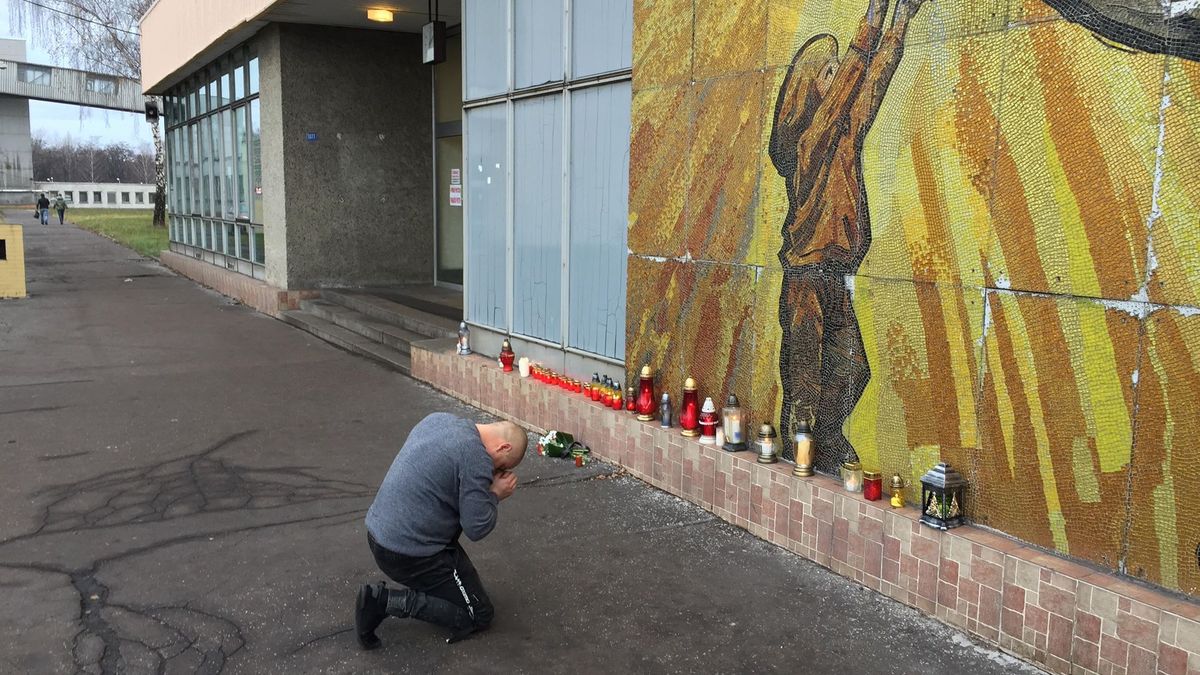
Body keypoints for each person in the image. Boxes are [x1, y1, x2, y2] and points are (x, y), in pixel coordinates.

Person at [769, 0, 926, 470]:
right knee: (807, 382)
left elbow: (871, 84)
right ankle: (797, 460)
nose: (840, 79)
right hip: (805, 279)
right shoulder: (808, 143)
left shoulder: (844, 137)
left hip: (835, 275)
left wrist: (900, 21)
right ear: (810, 91)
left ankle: (827, 442)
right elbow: (847, 91)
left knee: (854, 369)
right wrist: (876, 15)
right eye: (830, 72)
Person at [355, 413, 527, 649]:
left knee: (463, 588)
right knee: (479, 614)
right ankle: (382, 602)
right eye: (502, 466)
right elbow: (476, 527)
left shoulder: (439, 419)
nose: (495, 471)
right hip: (409, 553)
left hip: (379, 533)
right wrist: (495, 494)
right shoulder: (475, 456)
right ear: (504, 447)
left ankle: (432, 587)